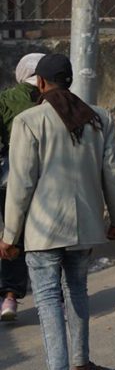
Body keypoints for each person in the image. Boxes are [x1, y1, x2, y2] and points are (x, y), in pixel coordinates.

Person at [0, 53, 115, 370]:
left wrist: (10, 236)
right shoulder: (99, 117)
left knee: (47, 300)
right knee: (77, 291)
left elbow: (20, 183)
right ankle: (80, 365)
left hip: (43, 230)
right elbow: (114, 174)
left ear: (40, 84)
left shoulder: (28, 121)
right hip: (85, 225)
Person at [0, 52, 44, 321]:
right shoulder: (57, 99)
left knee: (11, 234)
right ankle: (52, 298)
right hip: (47, 177)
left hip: (11, 176)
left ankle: (9, 298)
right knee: (44, 239)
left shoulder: (4, 99)